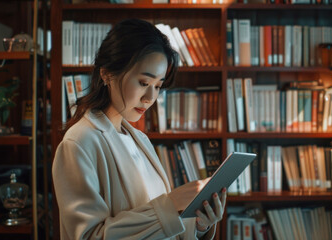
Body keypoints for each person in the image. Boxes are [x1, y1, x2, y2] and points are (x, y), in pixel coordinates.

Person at [52, 19, 227, 239]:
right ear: (107, 74)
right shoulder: (79, 143)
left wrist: (199, 225)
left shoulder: (140, 140)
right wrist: (171, 205)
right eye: (144, 83)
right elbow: (89, 236)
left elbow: (161, 228)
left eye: (158, 86)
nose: (150, 98)